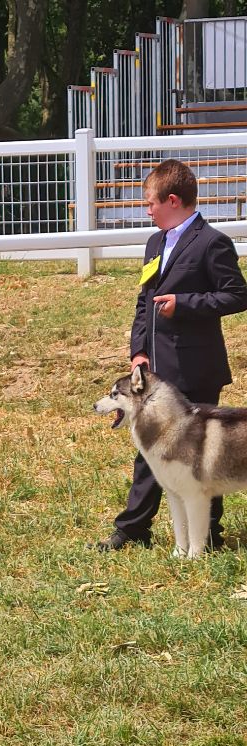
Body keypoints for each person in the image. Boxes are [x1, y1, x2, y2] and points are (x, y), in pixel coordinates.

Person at [97, 158, 247, 552]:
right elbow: (143, 302)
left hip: (195, 366)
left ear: (174, 200)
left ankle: (207, 535)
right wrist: (138, 352)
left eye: (150, 203)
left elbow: (237, 294)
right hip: (154, 372)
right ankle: (133, 529)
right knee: (150, 450)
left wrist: (184, 303)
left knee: (200, 454)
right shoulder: (155, 242)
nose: (147, 210)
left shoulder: (212, 242)